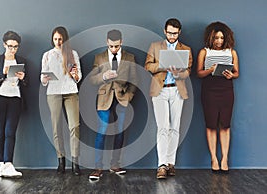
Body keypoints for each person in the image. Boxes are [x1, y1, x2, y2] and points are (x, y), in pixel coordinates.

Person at [145, 18, 193, 179]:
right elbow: (148, 66)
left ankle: (171, 163)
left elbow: (188, 71)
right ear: (165, 31)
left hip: (177, 91)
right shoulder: (155, 46)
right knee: (163, 127)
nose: (172, 36)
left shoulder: (185, 49)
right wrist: (163, 66)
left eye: (175, 33)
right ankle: (162, 165)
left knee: (175, 127)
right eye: (169, 33)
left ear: (179, 32)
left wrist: (178, 73)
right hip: (160, 91)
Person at [89, 29, 138, 181]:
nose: (114, 49)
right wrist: (103, 76)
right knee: (102, 131)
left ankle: (115, 165)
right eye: (111, 46)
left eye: (116, 46)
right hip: (104, 99)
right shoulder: (99, 57)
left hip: (122, 99)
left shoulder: (130, 57)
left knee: (120, 132)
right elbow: (91, 80)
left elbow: (135, 81)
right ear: (107, 42)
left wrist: (128, 97)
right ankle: (98, 167)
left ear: (121, 42)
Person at [197, 21, 239, 173]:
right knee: (211, 125)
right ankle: (214, 158)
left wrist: (230, 75)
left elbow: (237, 73)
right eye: (216, 38)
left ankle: (224, 158)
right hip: (209, 91)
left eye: (221, 38)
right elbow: (199, 73)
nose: (219, 41)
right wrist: (211, 70)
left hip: (226, 91)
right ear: (210, 38)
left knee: (225, 125)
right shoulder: (204, 52)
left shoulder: (231, 52)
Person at [41, 26, 82, 175]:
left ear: (65, 39)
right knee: (56, 127)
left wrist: (74, 74)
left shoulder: (73, 54)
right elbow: (43, 78)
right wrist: (44, 78)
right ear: (52, 39)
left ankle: (75, 163)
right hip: (53, 92)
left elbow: (79, 78)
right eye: (55, 39)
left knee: (74, 126)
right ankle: (61, 160)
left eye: (60, 39)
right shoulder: (47, 55)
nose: (58, 42)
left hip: (71, 91)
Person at [0, 31, 28, 177]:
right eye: (10, 46)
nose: (12, 49)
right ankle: (2, 165)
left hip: (15, 98)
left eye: (16, 47)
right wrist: (2, 74)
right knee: (0, 132)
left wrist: (23, 78)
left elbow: (26, 84)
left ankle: (9, 164)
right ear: (4, 44)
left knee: (10, 132)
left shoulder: (21, 60)